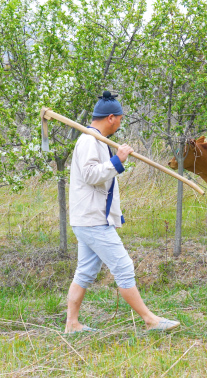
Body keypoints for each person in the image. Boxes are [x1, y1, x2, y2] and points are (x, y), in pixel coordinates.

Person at [65, 90, 180, 334]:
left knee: (85, 271)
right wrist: (118, 160)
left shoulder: (96, 140)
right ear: (111, 118)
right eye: (120, 119)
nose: (120, 123)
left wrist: (116, 160)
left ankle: (72, 324)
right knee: (124, 266)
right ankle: (151, 320)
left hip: (91, 218)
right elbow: (91, 175)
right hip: (91, 220)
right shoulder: (88, 140)